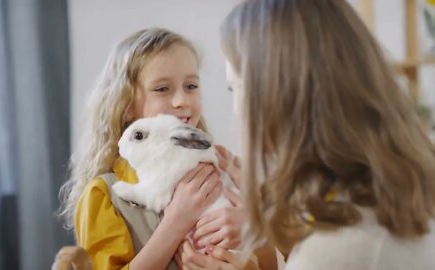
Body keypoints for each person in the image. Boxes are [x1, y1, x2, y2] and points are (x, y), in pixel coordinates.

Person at [179, 0, 435, 269]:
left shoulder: (333, 250)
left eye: (235, 87)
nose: (237, 110)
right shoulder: (400, 189)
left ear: (274, 95)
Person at [59, 28, 249, 270]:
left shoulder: (223, 168)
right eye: (162, 89)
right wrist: (175, 223)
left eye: (191, 85)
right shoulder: (105, 195)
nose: (182, 100)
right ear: (126, 105)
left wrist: (252, 226)